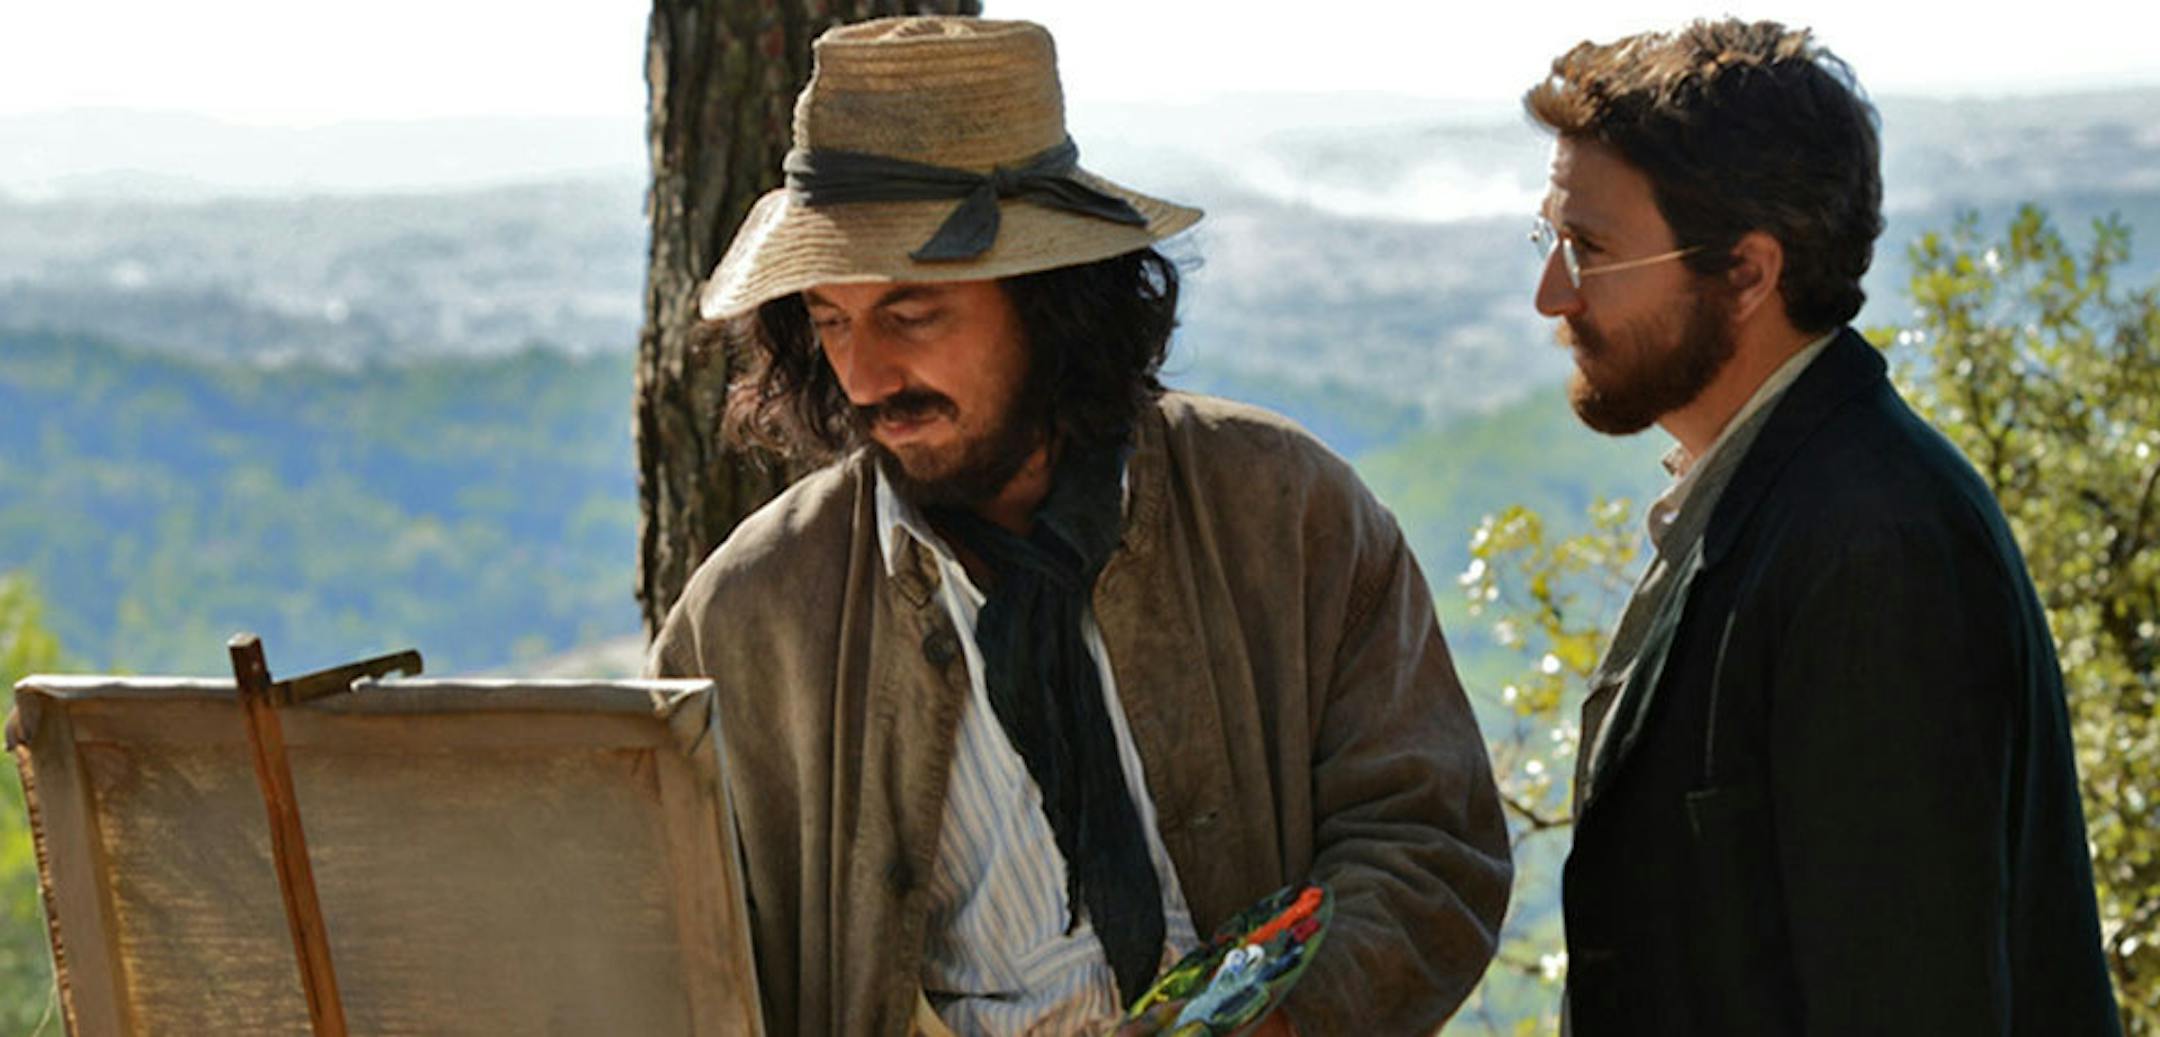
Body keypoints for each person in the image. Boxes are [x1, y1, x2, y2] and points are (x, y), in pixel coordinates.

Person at [647, 16, 1511, 1036]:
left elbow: (1427, 842)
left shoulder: (1283, 509)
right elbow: (676, 956)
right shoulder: (753, 614)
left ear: (1050, 300)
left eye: (912, 313)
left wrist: (1282, 1021)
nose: (866, 376)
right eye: (831, 321)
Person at [1524, 18, 2121, 1035]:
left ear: (1749, 273)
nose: (1551, 294)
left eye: (1590, 249)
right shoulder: (1784, 493)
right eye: (1551, 238)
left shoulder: (1873, 549)